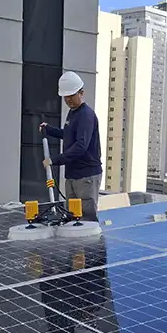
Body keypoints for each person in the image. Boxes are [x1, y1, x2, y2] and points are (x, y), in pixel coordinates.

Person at [39, 71, 102, 222]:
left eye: (71, 96)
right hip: (73, 174)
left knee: (86, 218)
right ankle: (77, 247)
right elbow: (68, 135)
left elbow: (81, 146)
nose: (68, 100)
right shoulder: (73, 113)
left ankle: (90, 247)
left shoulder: (86, 115)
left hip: (86, 176)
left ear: (81, 93)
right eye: (65, 97)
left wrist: (54, 160)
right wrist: (49, 129)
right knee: (73, 217)